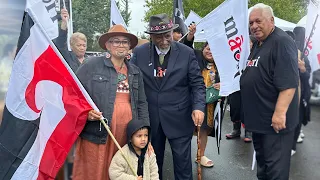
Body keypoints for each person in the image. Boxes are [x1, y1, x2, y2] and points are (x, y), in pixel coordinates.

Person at [131, 13, 205, 180]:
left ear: (172, 32)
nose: (164, 41)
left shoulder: (186, 53)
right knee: (152, 165)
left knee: (183, 165)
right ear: (150, 36)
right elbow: (132, 82)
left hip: (180, 118)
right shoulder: (140, 53)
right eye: (158, 37)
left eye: (167, 35)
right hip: (150, 120)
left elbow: (197, 84)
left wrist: (198, 107)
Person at [72, 24, 149, 180]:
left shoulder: (135, 71)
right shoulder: (91, 65)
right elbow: (72, 93)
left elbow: (142, 103)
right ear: (107, 45)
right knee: (95, 170)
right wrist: (86, 113)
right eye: (116, 41)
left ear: (129, 47)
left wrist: (146, 133)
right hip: (99, 130)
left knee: (122, 169)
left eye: (124, 42)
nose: (120, 45)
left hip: (127, 130)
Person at [241, 3, 299, 180]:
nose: (254, 26)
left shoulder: (282, 42)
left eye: (258, 21)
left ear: (271, 20)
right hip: (260, 122)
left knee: (276, 172)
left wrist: (280, 113)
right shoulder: (260, 43)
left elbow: (289, 82)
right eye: (251, 23)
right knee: (264, 169)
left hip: (275, 124)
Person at [225, 35, 256, 142]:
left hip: (249, 87)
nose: (247, 45)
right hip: (235, 86)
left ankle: (249, 132)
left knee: (248, 108)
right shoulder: (236, 54)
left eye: (250, 43)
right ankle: (236, 130)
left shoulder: (256, 55)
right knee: (235, 107)